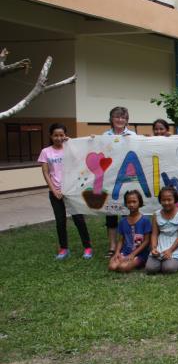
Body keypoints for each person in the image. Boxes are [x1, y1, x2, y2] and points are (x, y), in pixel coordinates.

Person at [39, 123, 93, 260]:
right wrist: (54, 190)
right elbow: (46, 173)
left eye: (61, 135)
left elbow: (82, 158)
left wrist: (90, 140)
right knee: (60, 221)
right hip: (55, 192)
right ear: (50, 136)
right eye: (55, 135)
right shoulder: (46, 152)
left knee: (79, 219)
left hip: (71, 191)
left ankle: (87, 247)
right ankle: (64, 249)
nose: (58, 138)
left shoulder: (70, 148)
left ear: (65, 135)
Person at [102, 106, 136, 258]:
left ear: (127, 120)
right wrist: (91, 142)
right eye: (117, 117)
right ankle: (112, 246)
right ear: (111, 119)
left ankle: (127, 244)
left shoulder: (133, 135)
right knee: (111, 213)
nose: (120, 120)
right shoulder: (104, 136)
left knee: (127, 213)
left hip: (128, 181)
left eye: (123, 117)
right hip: (110, 180)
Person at [146, 187, 178, 274]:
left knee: (168, 268)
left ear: (175, 200)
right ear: (160, 201)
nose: (166, 202)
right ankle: (163, 261)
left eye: (169, 200)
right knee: (150, 269)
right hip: (161, 243)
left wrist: (170, 250)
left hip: (175, 244)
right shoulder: (156, 214)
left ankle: (176, 261)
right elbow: (154, 234)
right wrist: (154, 248)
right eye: (163, 200)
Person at [108, 190, 151, 272]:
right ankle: (124, 259)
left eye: (134, 202)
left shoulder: (145, 220)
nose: (131, 204)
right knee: (112, 267)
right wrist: (117, 252)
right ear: (126, 204)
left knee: (123, 267)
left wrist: (133, 254)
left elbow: (146, 241)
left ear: (140, 202)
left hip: (140, 254)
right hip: (126, 251)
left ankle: (140, 262)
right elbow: (121, 240)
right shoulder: (123, 221)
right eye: (129, 202)